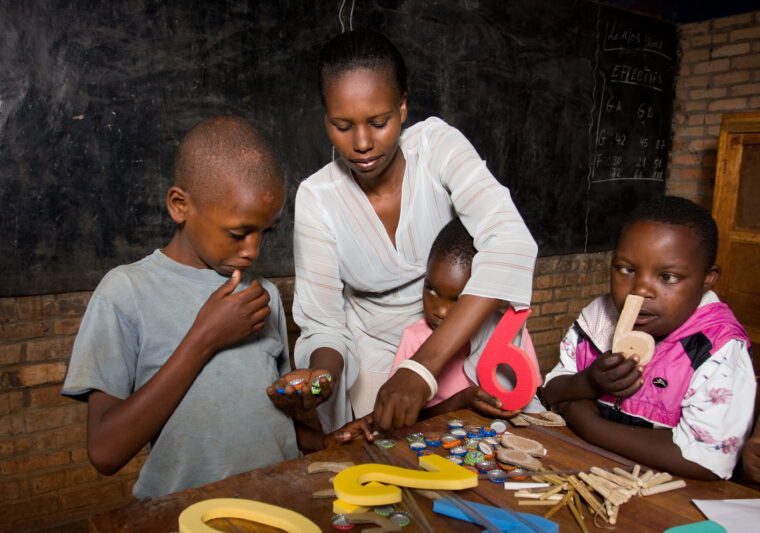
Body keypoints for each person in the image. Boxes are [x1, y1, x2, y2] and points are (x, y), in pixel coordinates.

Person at [62, 116, 370, 500]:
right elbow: (106, 452)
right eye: (238, 233)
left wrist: (322, 441)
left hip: (277, 498)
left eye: (265, 232)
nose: (252, 251)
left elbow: (262, 422)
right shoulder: (125, 293)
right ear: (180, 206)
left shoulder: (262, 294)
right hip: (187, 511)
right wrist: (204, 338)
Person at [270, 29, 537, 433]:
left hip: (462, 343)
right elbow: (324, 323)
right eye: (342, 126)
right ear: (325, 119)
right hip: (374, 361)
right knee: (385, 454)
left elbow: (511, 242)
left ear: (402, 107)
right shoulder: (317, 198)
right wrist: (323, 375)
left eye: (378, 122)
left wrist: (422, 368)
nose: (362, 143)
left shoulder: (437, 148)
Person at [542, 196, 755, 480]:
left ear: (708, 278)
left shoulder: (718, 347)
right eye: (627, 270)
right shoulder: (598, 318)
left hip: (668, 495)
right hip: (582, 468)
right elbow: (550, 392)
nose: (640, 290)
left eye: (668, 277)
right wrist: (589, 382)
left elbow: (705, 460)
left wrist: (590, 424)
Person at [389, 218, 543, 420]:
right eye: (431, 289)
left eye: (458, 299)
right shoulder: (415, 338)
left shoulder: (509, 331)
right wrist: (460, 402)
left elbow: (532, 397)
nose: (441, 311)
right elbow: (406, 418)